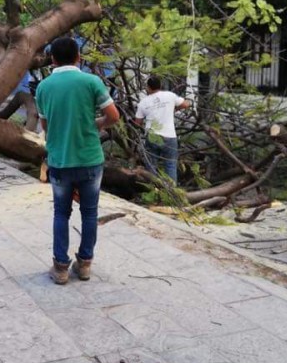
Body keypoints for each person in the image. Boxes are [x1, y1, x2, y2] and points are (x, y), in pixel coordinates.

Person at [35, 36, 120, 285]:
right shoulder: (91, 81)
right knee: (89, 213)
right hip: (89, 159)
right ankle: (84, 265)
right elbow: (113, 115)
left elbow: (45, 125)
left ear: (52, 59)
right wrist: (97, 124)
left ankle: (60, 268)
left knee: (61, 213)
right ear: (78, 58)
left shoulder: (44, 87)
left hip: (60, 160)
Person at [134, 76, 191, 182]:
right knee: (170, 165)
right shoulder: (170, 95)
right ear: (160, 86)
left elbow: (137, 123)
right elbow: (186, 104)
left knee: (151, 166)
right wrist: (173, 109)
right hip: (170, 137)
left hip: (152, 136)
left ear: (148, 88)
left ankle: (153, 189)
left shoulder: (143, 102)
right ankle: (172, 193)